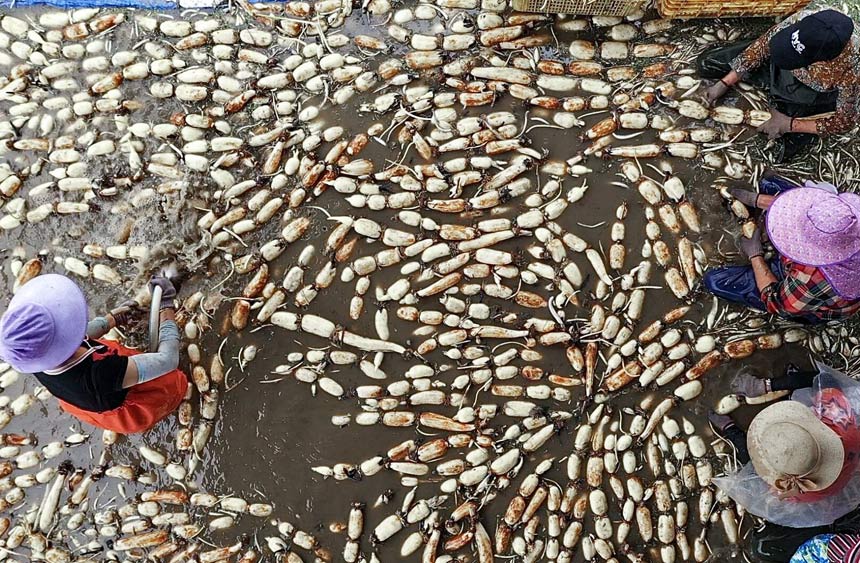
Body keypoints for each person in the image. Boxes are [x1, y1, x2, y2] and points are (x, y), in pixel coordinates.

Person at [0, 274, 187, 434]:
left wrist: (112, 319)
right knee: (173, 384)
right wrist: (165, 307)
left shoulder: (34, 357)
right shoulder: (100, 376)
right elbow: (168, 359)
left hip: (83, 397)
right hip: (124, 399)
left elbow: (80, 335)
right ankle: (174, 400)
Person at [710, 363, 860, 559]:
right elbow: (828, 381)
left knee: (752, 467)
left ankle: (732, 430)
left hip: (827, 493)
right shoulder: (845, 426)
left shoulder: (790, 489)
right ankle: (773, 389)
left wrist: (768, 385)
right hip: (843, 475)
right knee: (825, 382)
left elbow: (773, 488)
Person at [697, 7, 859, 161]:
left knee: (778, 144)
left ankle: (788, 110)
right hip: (778, 63)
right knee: (706, 63)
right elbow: (762, 46)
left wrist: (789, 124)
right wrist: (726, 82)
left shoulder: (852, 72)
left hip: (809, 89)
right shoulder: (808, 19)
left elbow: (844, 121)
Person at [703, 179, 860, 323]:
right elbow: (806, 209)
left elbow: (777, 303)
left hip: (814, 300)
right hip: (820, 268)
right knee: (769, 184)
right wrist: (756, 200)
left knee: (715, 281)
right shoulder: (849, 217)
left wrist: (755, 255)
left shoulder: (812, 279)